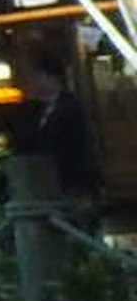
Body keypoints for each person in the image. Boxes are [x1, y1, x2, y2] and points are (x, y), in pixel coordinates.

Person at [18, 49, 104, 211]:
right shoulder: (35, 110)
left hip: (71, 179)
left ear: (53, 78)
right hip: (45, 181)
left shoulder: (70, 107)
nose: (35, 82)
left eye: (39, 77)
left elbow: (80, 146)